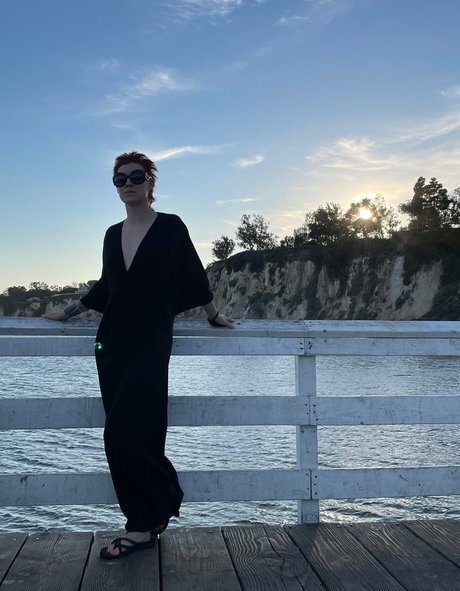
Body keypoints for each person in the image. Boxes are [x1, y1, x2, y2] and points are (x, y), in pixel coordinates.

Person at [44, 151, 234, 559]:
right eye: (119, 179)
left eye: (135, 176)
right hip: (111, 344)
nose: (127, 184)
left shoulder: (170, 226)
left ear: (150, 183)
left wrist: (213, 314)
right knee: (131, 433)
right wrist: (69, 312)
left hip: (150, 343)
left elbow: (194, 275)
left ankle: (149, 516)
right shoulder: (112, 234)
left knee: (121, 436)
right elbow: (106, 286)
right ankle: (149, 520)